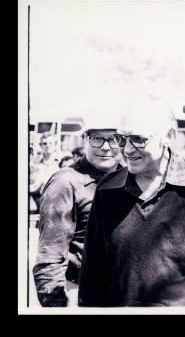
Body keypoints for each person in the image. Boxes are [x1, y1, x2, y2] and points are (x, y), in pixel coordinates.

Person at [78, 96, 185, 307]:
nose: (128, 149)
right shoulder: (107, 190)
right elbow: (92, 275)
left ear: (169, 136)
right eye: (122, 139)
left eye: (139, 139)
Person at [32, 115, 122, 307]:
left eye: (114, 138)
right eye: (97, 138)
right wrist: (58, 307)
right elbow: (49, 258)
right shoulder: (65, 183)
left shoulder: (130, 179)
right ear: (84, 139)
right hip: (79, 293)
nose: (106, 147)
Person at [29, 133, 62, 213]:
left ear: (55, 145)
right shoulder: (34, 164)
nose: (48, 146)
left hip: (58, 205)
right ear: (41, 145)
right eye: (45, 143)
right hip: (38, 206)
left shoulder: (61, 163)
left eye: (51, 143)